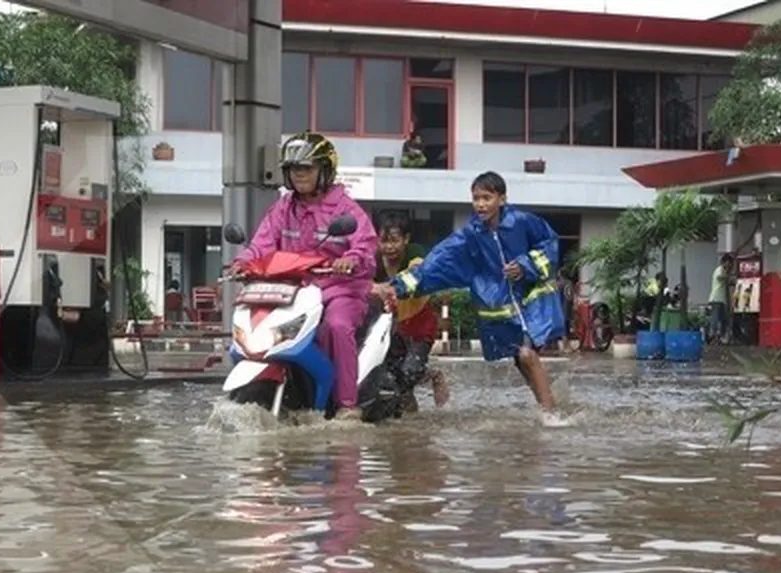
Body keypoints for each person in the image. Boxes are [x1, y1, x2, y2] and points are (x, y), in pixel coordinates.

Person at [372, 171, 567, 426]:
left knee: (527, 354)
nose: (480, 204)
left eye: (487, 197)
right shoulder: (469, 237)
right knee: (521, 359)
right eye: (476, 198)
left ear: (502, 198)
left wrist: (525, 265)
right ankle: (547, 403)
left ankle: (552, 415)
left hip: (530, 301)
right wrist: (395, 287)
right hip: (502, 307)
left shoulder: (523, 221)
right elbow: (435, 265)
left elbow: (550, 245)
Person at [229, 132, 377, 421]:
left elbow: (366, 246)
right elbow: (262, 243)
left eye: (306, 168)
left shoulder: (347, 209)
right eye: (293, 169)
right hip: (292, 291)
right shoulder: (283, 207)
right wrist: (244, 261)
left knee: (335, 326)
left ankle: (347, 405)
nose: (299, 175)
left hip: (340, 289)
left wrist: (351, 259)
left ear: (324, 169)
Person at [372, 212, 449, 411]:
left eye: (395, 241)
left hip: (419, 323)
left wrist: (387, 287)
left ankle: (432, 374)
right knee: (393, 378)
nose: (388, 247)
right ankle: (409, 427)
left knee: (409, 372)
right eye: (384, 241)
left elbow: (418, 271)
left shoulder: (414, 253)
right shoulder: (375, 260)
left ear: (406, 239)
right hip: (392, 327)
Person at [708, 254, 733, 344]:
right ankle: (711, 335)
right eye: (728, 263)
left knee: (723, 319)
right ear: (724, 262)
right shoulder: (720, 269)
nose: (730, 265)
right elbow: (720, 277)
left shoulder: (724, 270)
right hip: (716, 298)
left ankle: (721, 337)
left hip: (722, 299)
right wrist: (728, 278)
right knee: (715, 318)